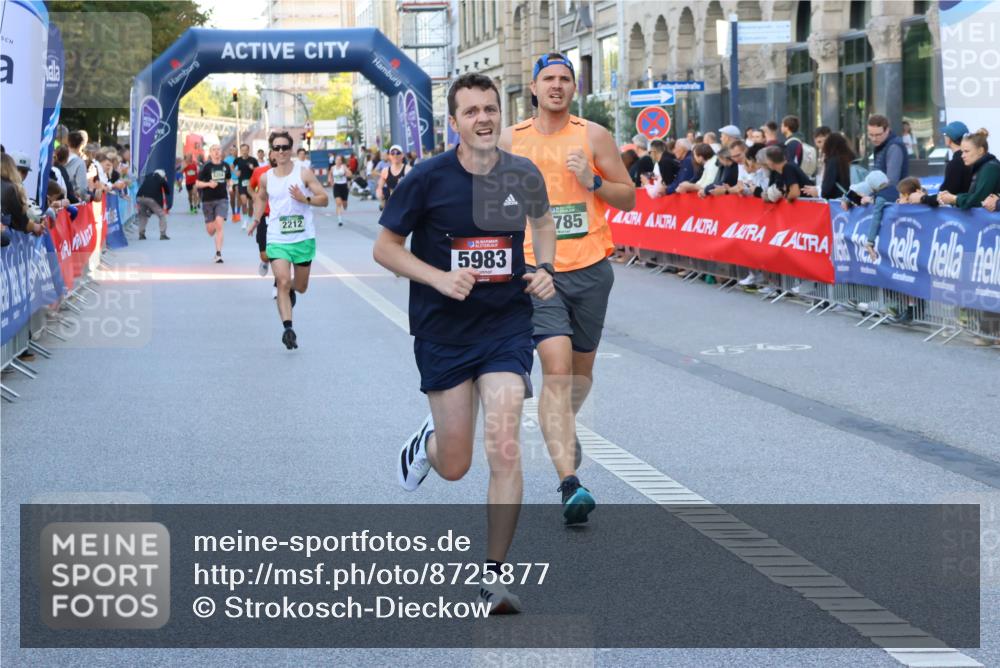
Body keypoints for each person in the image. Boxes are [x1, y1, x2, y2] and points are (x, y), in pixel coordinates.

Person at [374, 73, 556, 613]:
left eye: (491, 109)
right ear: (453, 122)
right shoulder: (428, 178)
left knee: (503, 445)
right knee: (456, 465)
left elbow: (543, 223)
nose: (483, 118)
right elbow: (385, 248)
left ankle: (494, 577)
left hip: (504, 326)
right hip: (443, 331)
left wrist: (544, 266)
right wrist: (436, 277)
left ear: (501, 115)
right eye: (471, 110)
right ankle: (427, 445)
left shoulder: (522, 172)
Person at [500, 52, 636, 525]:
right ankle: (569, 482)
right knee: (555, 371)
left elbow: (629, 196)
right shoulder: (510, 141)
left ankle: (563, 424)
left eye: (564, 79)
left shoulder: (593, 135)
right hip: (538, 272)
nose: (556, 86)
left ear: (573, 89)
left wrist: (592, 180)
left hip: (592, 269)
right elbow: (485, 204)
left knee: (579, 373)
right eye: (547, 79)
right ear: (533, 88)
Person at [251, 132, 329, 349]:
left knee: (301, 287)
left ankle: (290, 291)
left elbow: (324, 199)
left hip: (303, 238)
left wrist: (306, 199)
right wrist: (256, 220)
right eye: (277, 147)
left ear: (291, 149)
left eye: (285, 147)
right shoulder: (266, 177)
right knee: (283, 281)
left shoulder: (303, 174)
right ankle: (288, 328)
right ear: (272, 152)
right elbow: (261, 197)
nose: (282, 151)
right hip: (276, 237)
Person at [937, 129, 999, 210]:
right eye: (962, 152)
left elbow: (978, 200)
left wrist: (954, 199)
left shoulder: (990, 168)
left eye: (966, 151)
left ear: (980, 150)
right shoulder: (982, 166)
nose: (962, 156)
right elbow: (975, 196)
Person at [195, 144, 232, 263]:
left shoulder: (225, 166)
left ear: (221, 152)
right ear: (210, 153)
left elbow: (228, 179)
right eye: (214, 150)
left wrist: (230, 186)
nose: (216, 152)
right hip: (208, 200)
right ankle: (215, 229)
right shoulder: (206, 167)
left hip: (222, 199)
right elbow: (197, 183)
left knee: (220, 225)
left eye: (218, 150)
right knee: (211, 230)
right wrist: (208, 184)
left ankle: (218, 254)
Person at [247, 149, 276, 278]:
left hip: (280, 216)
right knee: (264, 254)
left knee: (280, 252)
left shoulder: (290, 174)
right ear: (269, 156)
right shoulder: (260, 171)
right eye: (274, 153)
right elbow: (250, 187)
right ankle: (265, 262)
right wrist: (255, 197)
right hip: (264, 214)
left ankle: (278, 283)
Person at [867, 114, 909, 201]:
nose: (874, 139)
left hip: (892, 202)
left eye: (878, 135)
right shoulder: (881, 145)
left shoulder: (894, 147)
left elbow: (891, 182)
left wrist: (872, 197)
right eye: (871, 135)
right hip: (885, 199)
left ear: (887, 130)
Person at [804, 132, 854, 200]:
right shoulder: (850, 159)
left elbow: (827, 188)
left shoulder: (833, 161)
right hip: (852, 200)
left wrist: (818, 192)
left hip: (837, 202)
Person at [135, 169, 171, 240]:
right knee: (161, 215)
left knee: (142, 215)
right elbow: (168, 191)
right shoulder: (161, 179)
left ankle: (141, 234)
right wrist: (165, 181)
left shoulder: (148, 176)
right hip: (151, 198)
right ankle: (163, 234)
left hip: (139, 197)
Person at [234, 144, 260, 230]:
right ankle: (245, 220)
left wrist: (253, 169)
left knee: (251, 205)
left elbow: (258, 170)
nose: (244, 151)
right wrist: (235, 172)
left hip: (251, 184)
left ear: (248, 150)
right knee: (244, 202)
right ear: (240, 151)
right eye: (242, 150)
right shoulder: (238, 160)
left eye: (246, 150)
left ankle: (249, 219)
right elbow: (232, 166)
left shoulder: (253, 160)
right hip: (242, 183)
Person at [377, 145, 411, 209]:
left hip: (405, 203)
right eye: (392, 153)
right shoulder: (386, 170)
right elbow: (379, 187)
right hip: (390, 203)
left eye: (398, 153)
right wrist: (380, 196)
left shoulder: (408, 170)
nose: (395, 155)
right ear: (389, 156)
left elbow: (414, 187)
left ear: (402, 155)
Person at [327, 154, 351, 226]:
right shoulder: (332, 168)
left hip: (344, 186)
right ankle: (340, 220)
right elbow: (330, 175)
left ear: (341, 161)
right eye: (337, 159)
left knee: (344, 204)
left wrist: (347, 173)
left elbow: (350, 174)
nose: (338, 161)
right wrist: (330, 182)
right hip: (336, 186)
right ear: (335, 160)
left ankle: (345, 205)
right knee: (338, 203)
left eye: (339, 160)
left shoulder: (344, 167)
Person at [224, 145, 239, 218]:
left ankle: (238, 212)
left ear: (237, 151)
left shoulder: (240, 159)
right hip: (230, 180)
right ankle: (233, 212)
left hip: (239, 180)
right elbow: (224, 170)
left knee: (239, 195)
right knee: (232, 196)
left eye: (235, 150)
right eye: (232, 150)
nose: (233, 151)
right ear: (230, 151)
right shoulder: (227, 160)